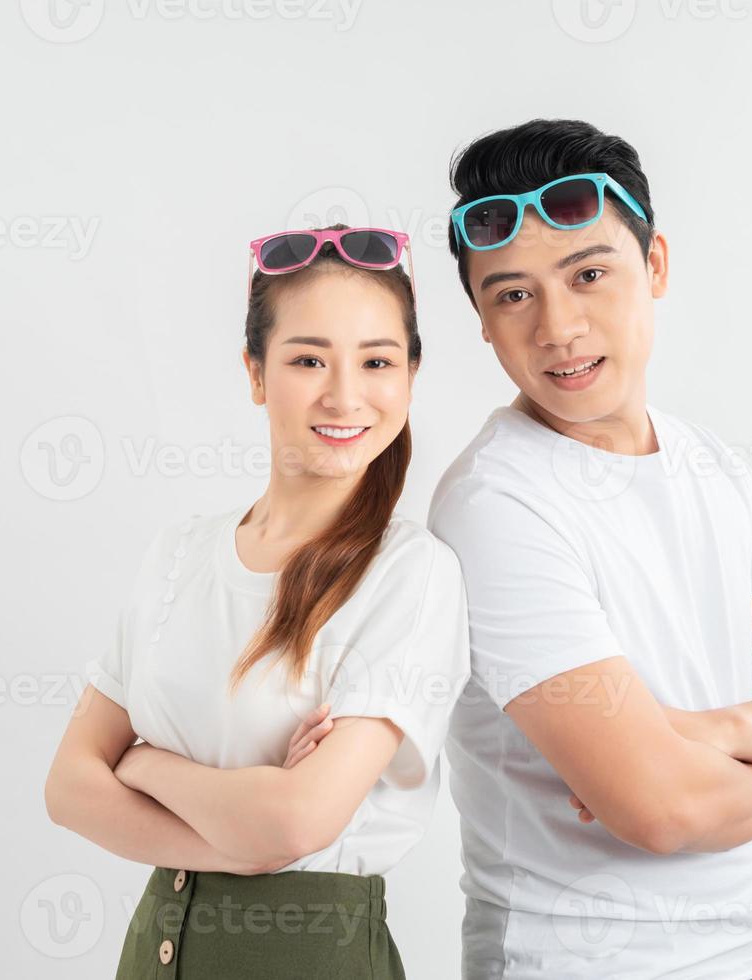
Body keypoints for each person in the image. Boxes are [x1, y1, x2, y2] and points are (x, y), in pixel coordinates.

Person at [426, 119, 752, 979]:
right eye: (511, 295)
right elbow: (660, 809)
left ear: (655, 267)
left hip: (743, 955)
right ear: (483, 323)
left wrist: (710, 730)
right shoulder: (497, 506)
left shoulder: (712, 468)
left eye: (589, 274)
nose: (557, 328)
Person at [44, 224, 470, 979]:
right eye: (307, 359)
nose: (344, 394)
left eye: (376, 361)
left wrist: (145, 766)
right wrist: (240, 832)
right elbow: (69, 787)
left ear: (410, 373)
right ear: (255, 372)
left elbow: (297, 821)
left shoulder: (409, 576)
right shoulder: (179, 555)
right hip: (151, 952)